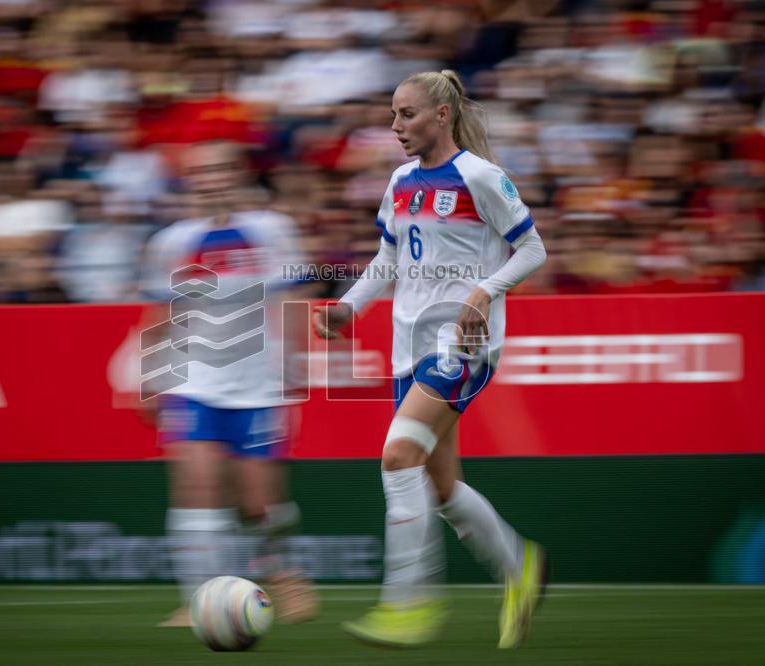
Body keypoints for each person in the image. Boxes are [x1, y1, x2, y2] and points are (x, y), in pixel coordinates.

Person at [314, 70, 548, 648]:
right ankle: (520, 566)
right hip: (409, 347)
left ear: (442, 115)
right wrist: (349, 308)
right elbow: (389, 258)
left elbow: (534, 248)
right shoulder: (399, 180)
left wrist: (482, 291)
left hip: (462, 345)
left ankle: (407, 604)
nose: (396, 127)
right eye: (393, 115)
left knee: (398, 457)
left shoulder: (481, 177)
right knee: (441, 489)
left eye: (408, 114)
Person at [142, 141, 318, 627]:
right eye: (202, 171)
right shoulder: (170, 242)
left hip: (258, 384)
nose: (212, 178)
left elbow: (295, 299)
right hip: (193, 380)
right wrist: (149, 379)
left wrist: (294, 371)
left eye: (222, 168)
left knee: (258, 503)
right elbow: (158, 317)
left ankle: (284, 575)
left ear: (238, 174)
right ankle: (198, 597)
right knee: (195, 487)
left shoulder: (273, 230)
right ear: (190, 180)